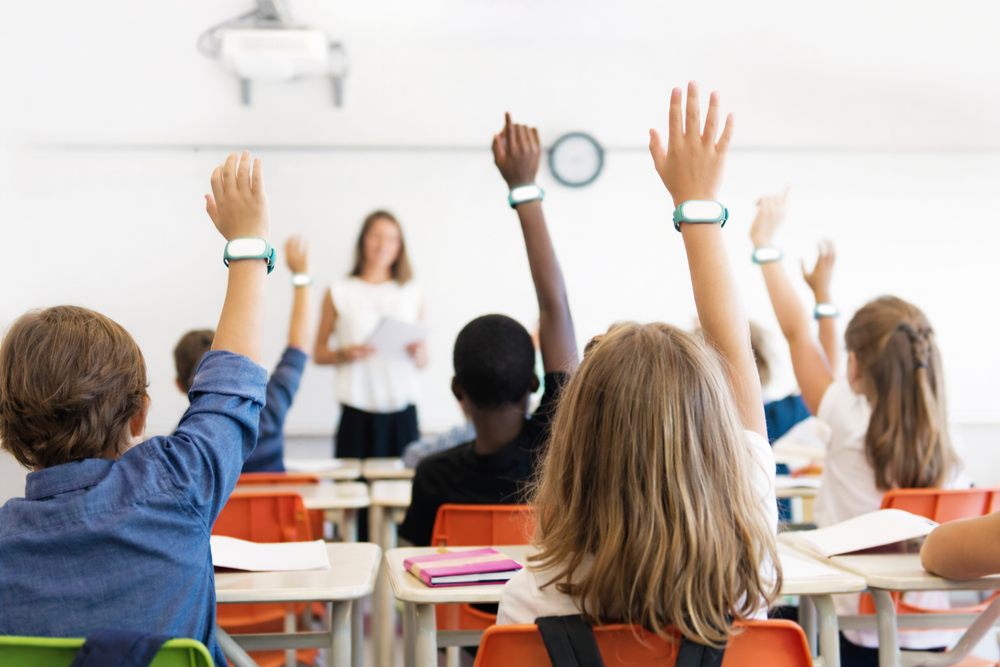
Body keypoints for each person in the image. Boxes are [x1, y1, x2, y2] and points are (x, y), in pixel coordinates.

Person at [497, 83, 781, 649]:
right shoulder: (752, 572)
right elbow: (734, 349)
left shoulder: (533, 597)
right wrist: (696, 202)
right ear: (714, 430)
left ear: (576, 439)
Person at [0, 151, 273, 666]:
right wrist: (247, 245)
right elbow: (229, 389)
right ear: (140, 414)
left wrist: (249, 248)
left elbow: (229, 390)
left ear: (11, 427)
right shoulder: (174, 486)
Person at [750, 187, 966, 662]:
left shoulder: (850, 419)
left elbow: (796, 334)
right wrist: (823, 294)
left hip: (857, 637)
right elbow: (815, 349)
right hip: (938, 640)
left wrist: (764, 243)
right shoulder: (945, 446)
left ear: (856, 366)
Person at [398, 112, 580, 548]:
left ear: (457, 390)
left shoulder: (433, 477)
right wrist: (524, 189)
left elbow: (415, 574)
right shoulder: (558, 458)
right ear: (534, 383)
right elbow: (555, 306)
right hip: (541, 617)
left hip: (464, 618)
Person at [173, 235, 313, 473]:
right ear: (233, 368)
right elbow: (298, 348)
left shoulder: (181, 448)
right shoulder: (270, 408)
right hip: (275, 511)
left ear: (179, 384)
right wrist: (301, 276)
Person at [314, 211, 427, 459]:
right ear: (363, 240)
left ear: (400, 247)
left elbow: (423, 360)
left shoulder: (411, 291)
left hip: (402, 407)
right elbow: (318, 353)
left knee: (401, 492)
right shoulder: (339, 291)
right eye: (376, 236)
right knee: (352, 491)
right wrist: (345, 353)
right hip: (357, 407)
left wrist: (419, 354)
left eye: (391, 239)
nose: (383, 245)